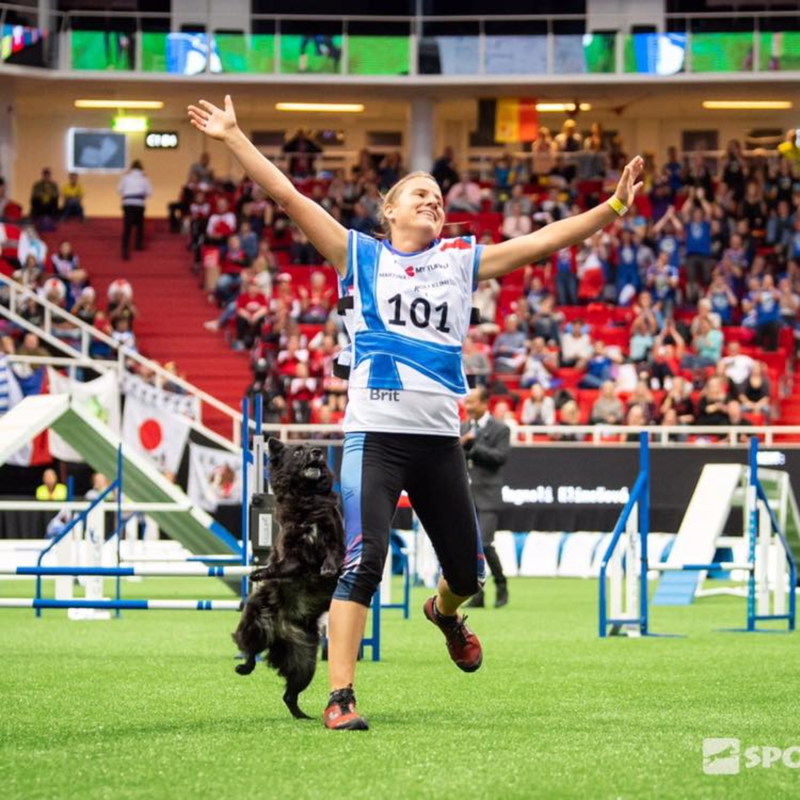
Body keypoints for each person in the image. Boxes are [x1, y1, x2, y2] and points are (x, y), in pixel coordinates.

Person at [188, 93, 643, 731]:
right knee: (363, 559)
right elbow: (288, 196)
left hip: (437, 441)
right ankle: (341, 696)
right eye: (418, 193)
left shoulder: (459, 262)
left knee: (466, 572)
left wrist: (615, 205)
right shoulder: (359, 255)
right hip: (374, 434)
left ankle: (445, 613)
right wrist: (234, 137)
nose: (432, 200)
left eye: (437, 194)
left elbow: (542, 242)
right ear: (389, 211)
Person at [460, 387, 510, 609]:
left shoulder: (500, 429)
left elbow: (500, 457)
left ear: (485, 403)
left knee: (485, 544)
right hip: (465, 496)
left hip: (488, 496)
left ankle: (501, 583)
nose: (468, 407)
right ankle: (477, 594)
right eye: (466, 403)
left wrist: (473, 446)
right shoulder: (461, 428)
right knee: (470, 547)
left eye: (472, 402)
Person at [117, 160, 152, 260]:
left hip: (128, 203)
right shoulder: (144, 178)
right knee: (139, 225)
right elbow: (149, 192)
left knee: (127, 228)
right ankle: (138, 244)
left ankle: (125, 248)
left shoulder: (126, 177)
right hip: (139, 204)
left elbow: (119, 189)